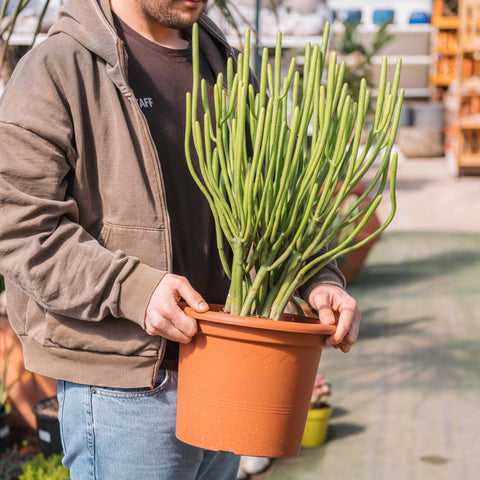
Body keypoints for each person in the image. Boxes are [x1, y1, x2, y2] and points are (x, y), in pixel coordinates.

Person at [0, 0, 361, 478]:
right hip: (125, 387)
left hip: (231, 369)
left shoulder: (224, 68)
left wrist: (319, 277)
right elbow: (21, 228)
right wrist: (136, 289)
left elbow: (280, 196)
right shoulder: (58, 69)